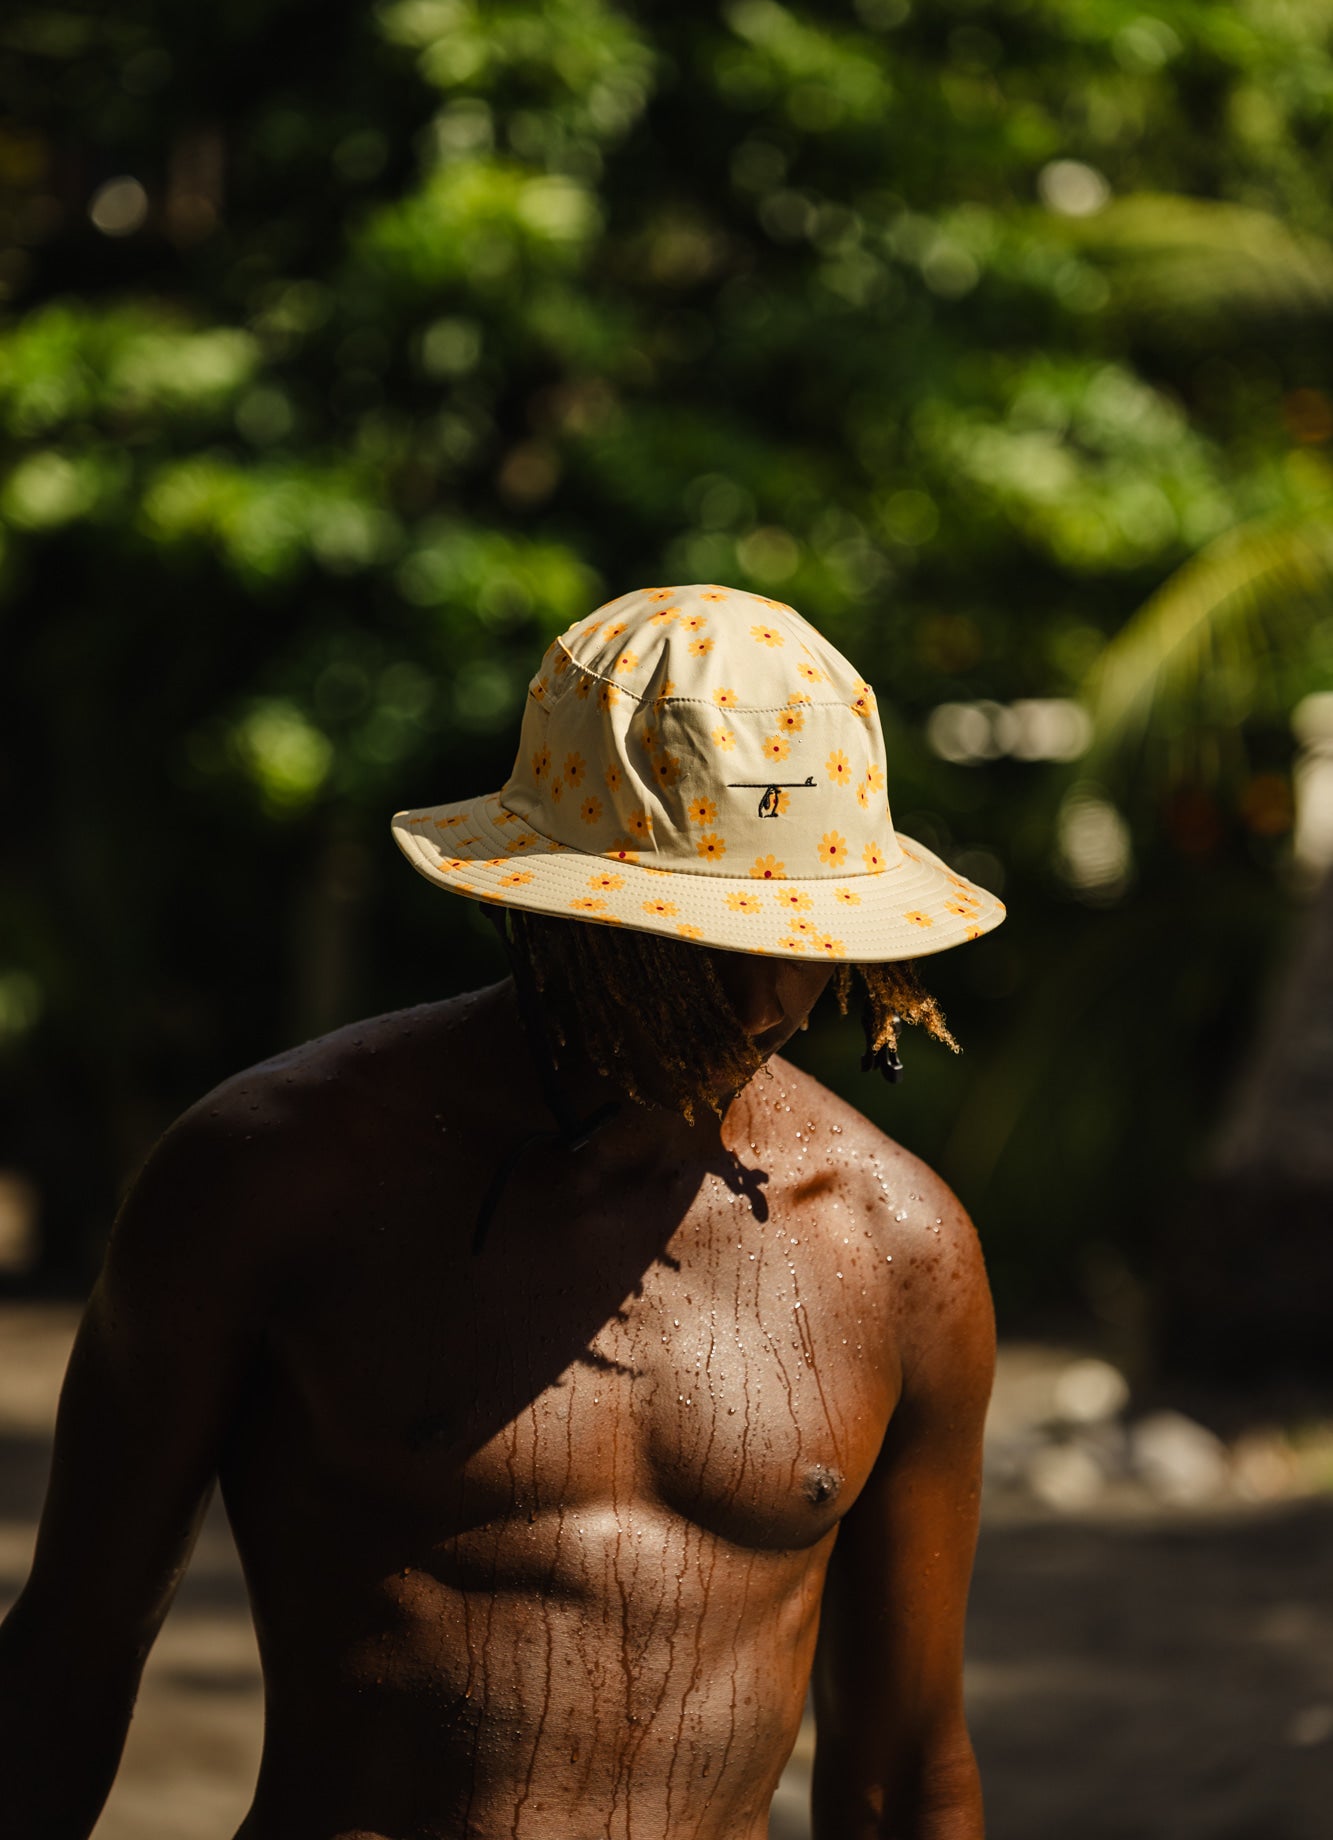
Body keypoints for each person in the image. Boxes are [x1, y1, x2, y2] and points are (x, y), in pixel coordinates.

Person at [0, 583, 1004, 1840]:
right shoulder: (274, 1177)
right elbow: (68, 1661)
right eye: (694, 939)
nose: (764, 1000)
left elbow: (902, 1772)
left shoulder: (896, 1247)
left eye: (803, 937)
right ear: (560, 911)